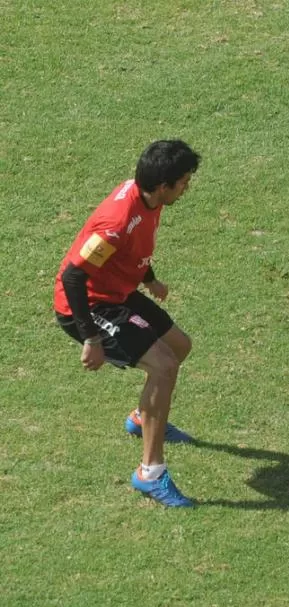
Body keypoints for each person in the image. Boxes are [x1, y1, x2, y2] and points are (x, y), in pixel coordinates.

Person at [53, 140, 201, 507]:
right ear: (163, 185)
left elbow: (137, 246)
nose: (187, 187)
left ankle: (142, 418)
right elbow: (73, 277)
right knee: (163, 366)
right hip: (87, 305)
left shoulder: (148, 198)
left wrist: (149, 278)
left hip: (117, 291)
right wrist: (91, 338)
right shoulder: (115, 224)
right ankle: (150, 473)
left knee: (180, 347)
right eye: (183, 182)